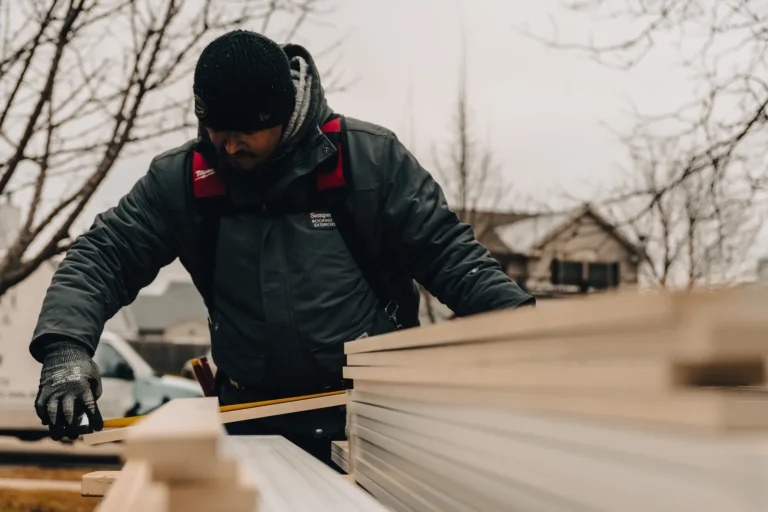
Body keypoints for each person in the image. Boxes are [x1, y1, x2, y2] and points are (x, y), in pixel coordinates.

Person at [30, 30, 535, 466]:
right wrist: (65, 348)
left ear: (283, 114)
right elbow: (104, 255)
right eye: (217, 131)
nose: (228, 148)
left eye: (246, 133)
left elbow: (451, 256)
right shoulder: (185, 180)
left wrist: (529, 339)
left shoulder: (367, 161)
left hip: (370, 419)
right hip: (252, 419)